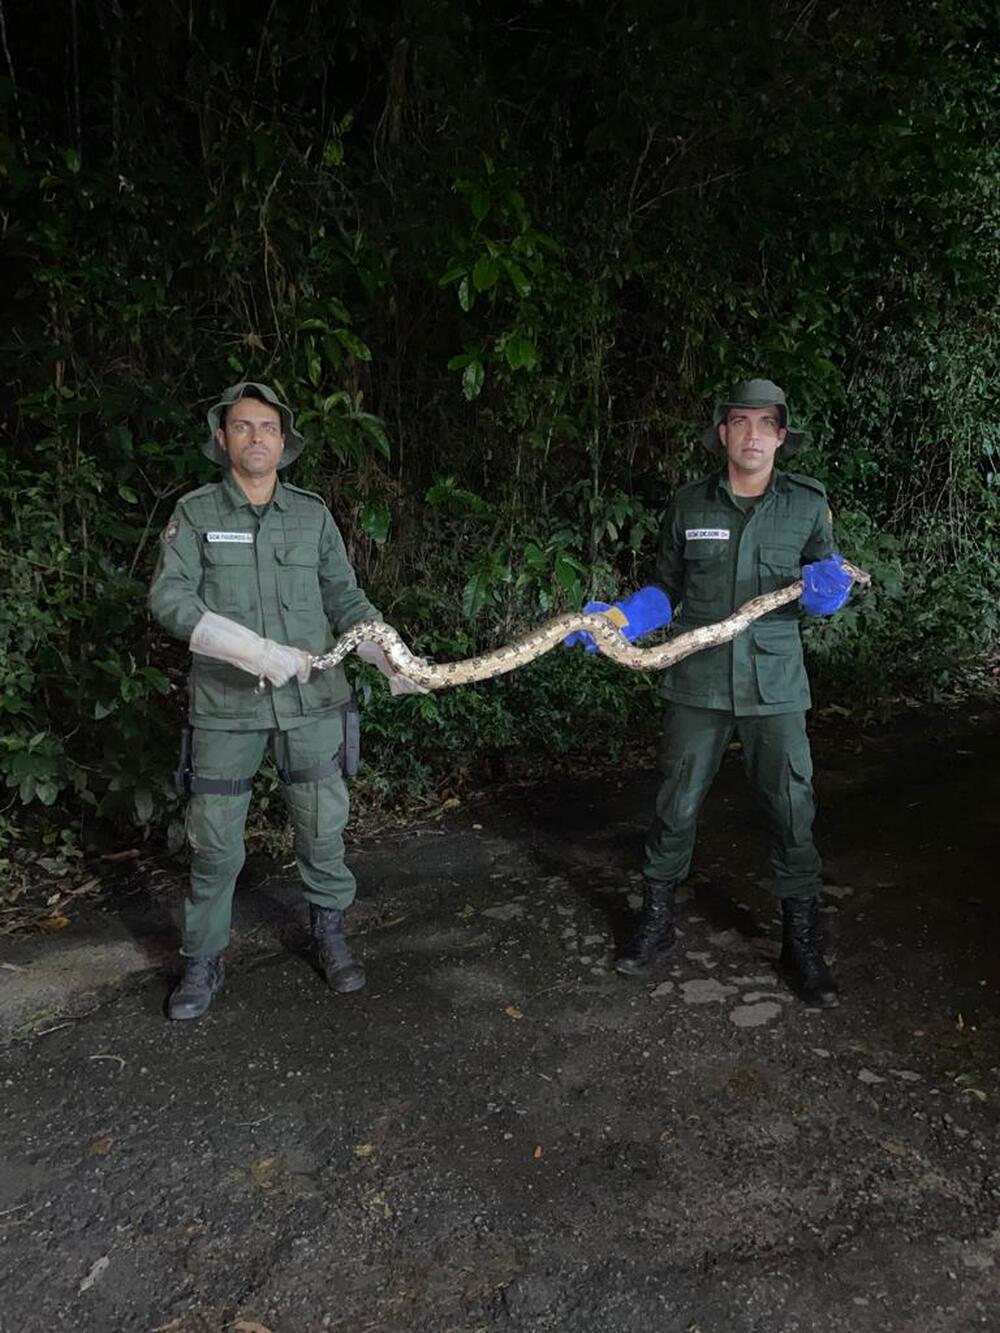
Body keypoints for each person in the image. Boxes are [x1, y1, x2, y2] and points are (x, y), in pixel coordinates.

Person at [567, 378, 854, 1005]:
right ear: (723, 432)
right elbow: (664, 590)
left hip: (775, 682)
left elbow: (824, 579)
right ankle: (657, 918)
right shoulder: (689, 505)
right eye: (740, 421)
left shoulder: (808, 504)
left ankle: (800, 939)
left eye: (766, 423)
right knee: (675, 800)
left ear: (781, 435)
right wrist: (617, 621)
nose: (753, 434)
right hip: (696, 680)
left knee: (790, 805)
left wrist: (830, 592)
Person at [149, 381, 421, 1020]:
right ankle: (203, 959)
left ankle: (329, 932)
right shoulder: (195, 514)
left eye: (267, 427)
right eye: (242, 427)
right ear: (223, 440)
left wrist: (388, 652)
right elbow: (170, 599)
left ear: (284, 442)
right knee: (215, 843)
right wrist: (248, 648)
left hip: (313, 703)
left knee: (323, 829)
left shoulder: (311, 514)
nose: (255, 438)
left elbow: (346, 601)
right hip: (226, 705)